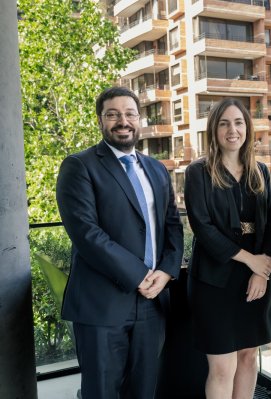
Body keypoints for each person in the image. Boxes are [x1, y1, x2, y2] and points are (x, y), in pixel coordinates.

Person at [56, 86, 183, 398]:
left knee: (144, 391)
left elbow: (172, 225)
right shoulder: (79, 166)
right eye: (112, 115)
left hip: (153, 303)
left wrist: (166, 272)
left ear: (139, 120)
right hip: (102, 306)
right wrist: (140, 275)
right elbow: (87, 234)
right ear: (100, 121)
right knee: (101, 391)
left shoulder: (156, 168)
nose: (122, 121)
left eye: (129, 114)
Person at [184, 98, 271, 399]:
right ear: (214, 130)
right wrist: (251, 260)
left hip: (255, 279)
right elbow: (203, 227)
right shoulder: (198, 172)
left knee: (249, 356)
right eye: (224, 123)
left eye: (238, 122)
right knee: (222, 365)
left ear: (247, 129)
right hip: (214, 280)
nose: (232, 130)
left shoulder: (260, 172)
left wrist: (263, 273)